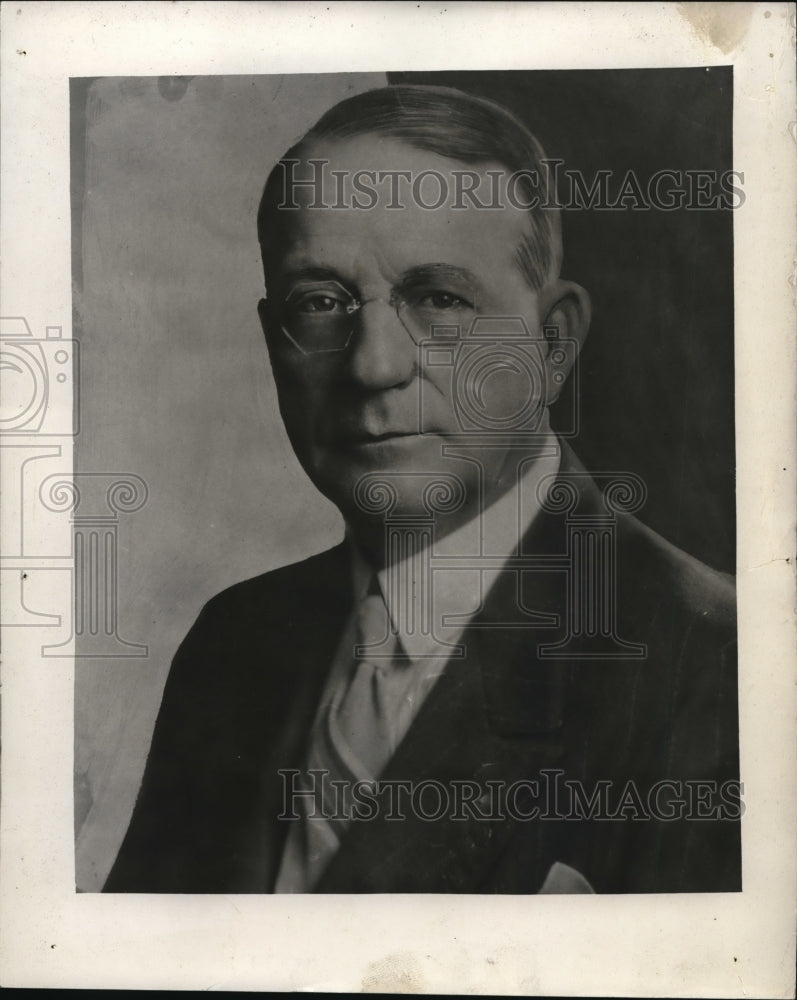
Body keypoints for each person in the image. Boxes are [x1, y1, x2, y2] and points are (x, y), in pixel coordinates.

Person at [104, 85, 740, 894]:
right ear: (274, 344)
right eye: (322, 303)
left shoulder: (718, 668)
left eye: (440, 299)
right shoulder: (236, 643)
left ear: (552, 343)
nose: (372, 366)